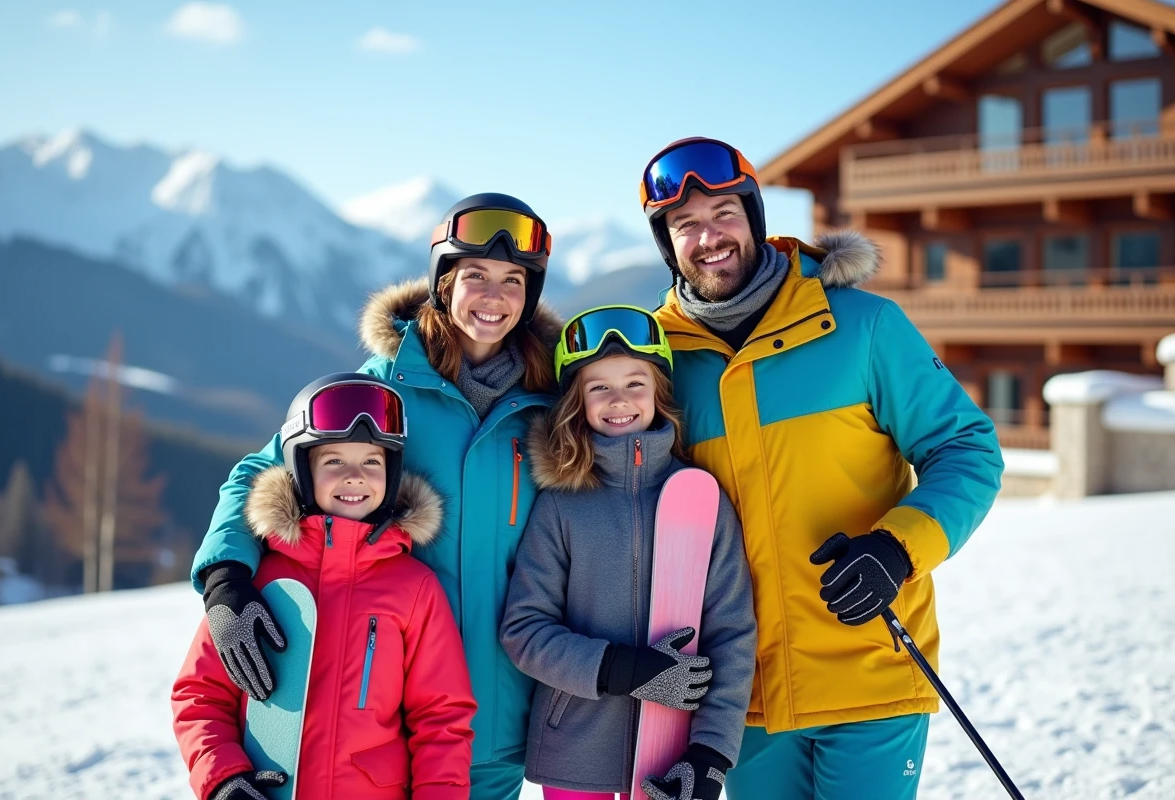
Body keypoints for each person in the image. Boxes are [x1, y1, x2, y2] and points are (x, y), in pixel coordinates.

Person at [638, 137, 1004, 799]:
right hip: (740, 698)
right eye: (684, 224)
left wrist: (899, 548)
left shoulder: (862, 328)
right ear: (668, 245)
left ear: (754, 217)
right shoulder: (659, 362)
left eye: (724, 213)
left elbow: (968, 450)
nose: (708, 237)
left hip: (871, 672)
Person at [189, 194, 563, 800]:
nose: (493, 298)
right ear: (443, 283)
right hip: (380, 725)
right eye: (474, 276)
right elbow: (259, 471)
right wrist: (226, 577)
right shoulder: (380, 388)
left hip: (501, 720)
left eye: (512, 280)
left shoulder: (551, 401)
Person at [172, 373, 475, 799]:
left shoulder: (414, 588)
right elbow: (199, 694)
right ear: (302, 471)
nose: (355, 477)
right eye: (334, 461)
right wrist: (223, 777)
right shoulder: (261, 579)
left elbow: (441, 718)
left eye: (372, 462)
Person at [500, 305, 757, 800]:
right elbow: (524, 630)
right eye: (599, 387)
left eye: (635, 383)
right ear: (577, 401)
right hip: (574, 748)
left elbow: (733, 633)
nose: (619, 400)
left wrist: (711, 754)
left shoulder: (700, 498)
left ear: (660, 394)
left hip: (672, 752)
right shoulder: (562, 504)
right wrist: (620, 669)